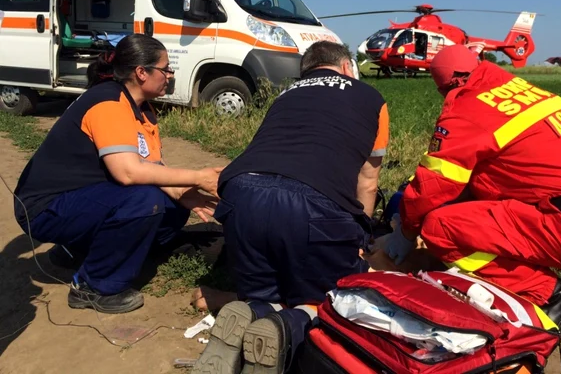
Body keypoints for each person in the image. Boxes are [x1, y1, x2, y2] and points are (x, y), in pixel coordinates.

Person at [376, 45, 561, 334]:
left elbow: (431, 187)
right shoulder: (520, 89)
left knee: (438, 228)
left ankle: (554, 295)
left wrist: (406, 231)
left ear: (447, 86)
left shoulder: (467, 109)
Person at [193, 41, 389, 374]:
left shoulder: (285, 95)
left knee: (267, 291)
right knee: (335, 299)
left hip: (240, 194)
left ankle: (253, 312)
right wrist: (357, 240)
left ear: (306, 71)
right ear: (345, 67)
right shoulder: (370, 98)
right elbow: (367, 183)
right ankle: (290, 324)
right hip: (314, 202)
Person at [13, 35, 222, 314]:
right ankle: (93, 286)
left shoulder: (142, 108)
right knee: (144, 200)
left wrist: (186, 193)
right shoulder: (108, 102)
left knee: (174, 202)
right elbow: (128, 173)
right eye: (165, 69)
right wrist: (198, 177)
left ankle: (76, 251)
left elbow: (153, 166)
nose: (170, 76)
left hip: (82, 197)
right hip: (44, 207)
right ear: (141, 72)